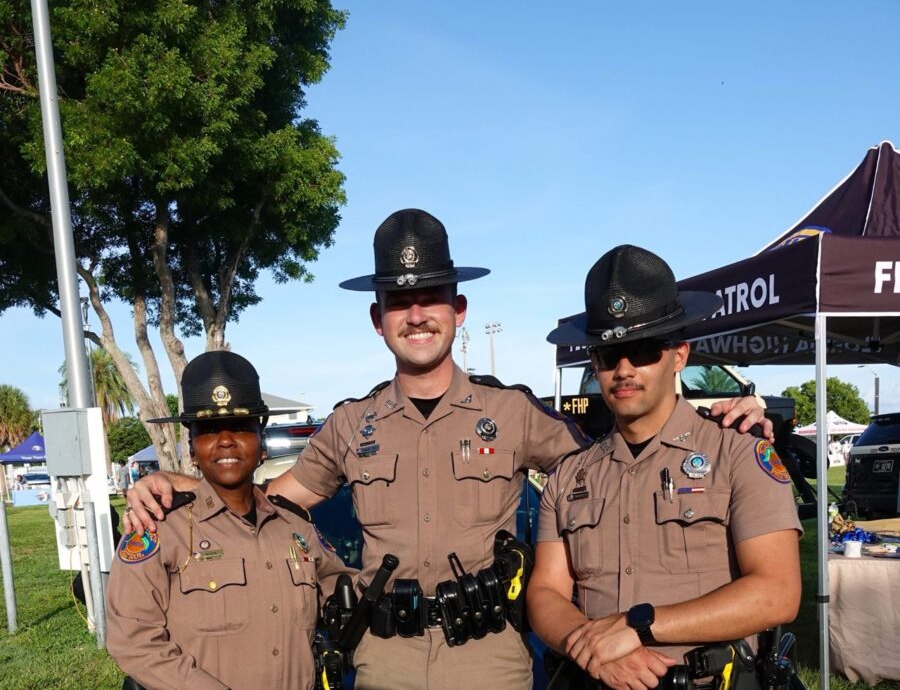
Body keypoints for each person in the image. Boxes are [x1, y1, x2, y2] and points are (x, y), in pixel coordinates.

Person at [123, 210, 770, 690]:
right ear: (378, 320)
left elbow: (619, 456)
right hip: (385, 663)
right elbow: (265, 500)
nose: (416, 312)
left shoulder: (513, 413)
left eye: (430, 295)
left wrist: (721, 424)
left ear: (460, 309)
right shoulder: (352, 425)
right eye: (398, 300)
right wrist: (172, 483)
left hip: (490, 658)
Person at [528, 245, 802, 690]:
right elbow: (545, 594)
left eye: (642, 349)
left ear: (679, 355)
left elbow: (777, 593)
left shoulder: (737, 454)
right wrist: (595, 649)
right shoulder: (568, 477)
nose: (623, 369)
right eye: (606, 354)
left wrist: (638, 627)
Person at [106, 351, 355, 690]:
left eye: (240, 426)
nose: (225, 440)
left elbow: (346, 593)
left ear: (260, 440)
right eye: (208, 429)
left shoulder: (296, 527)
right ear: (192, 448)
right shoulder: (160, 528)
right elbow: (134, 642)